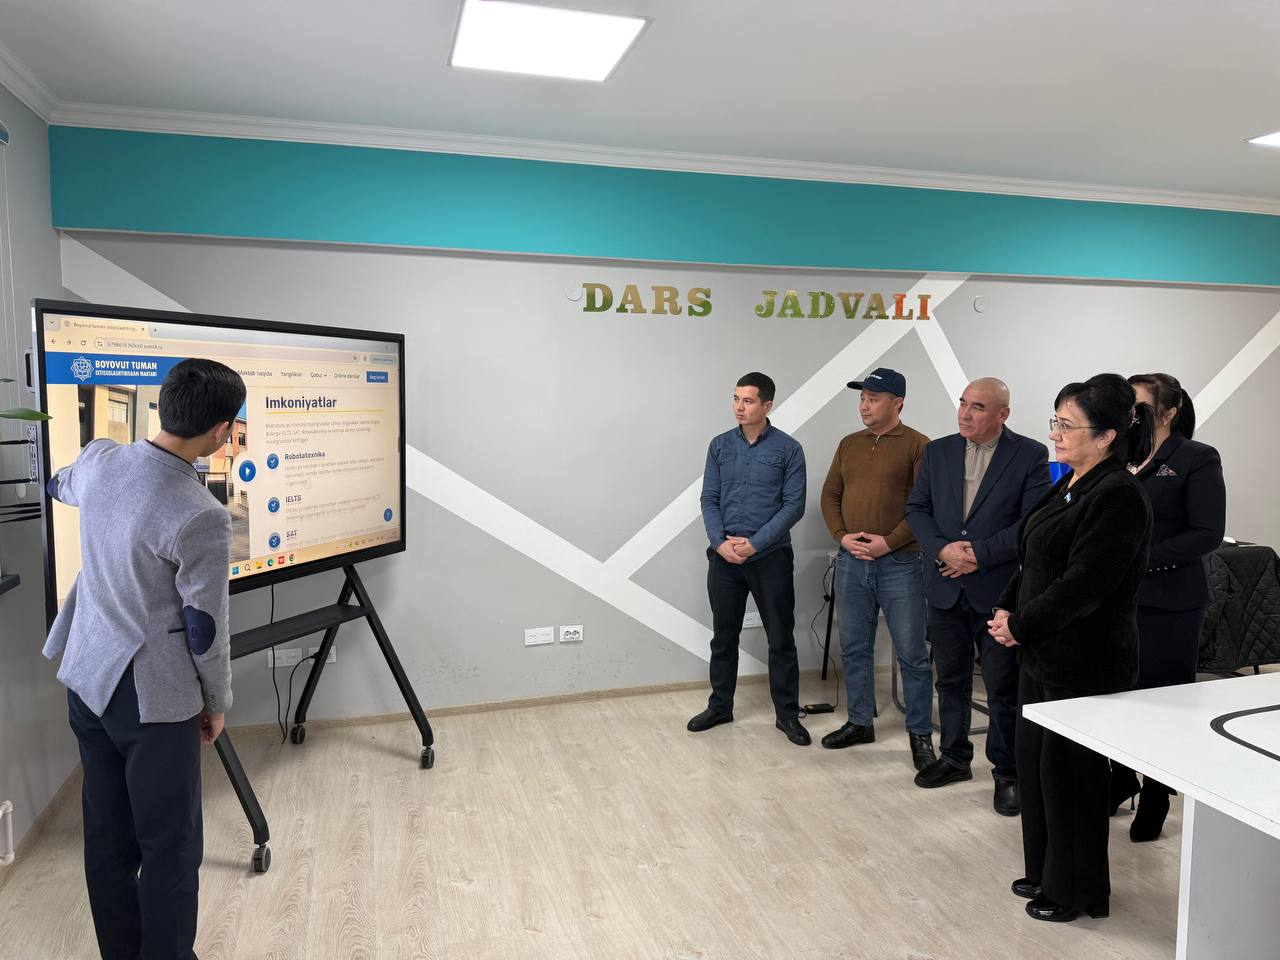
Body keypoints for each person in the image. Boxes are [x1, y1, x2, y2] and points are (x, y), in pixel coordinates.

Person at [43, 358, 245, 959]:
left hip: (87, 681)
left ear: (164, 404)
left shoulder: (100, 460)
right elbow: (205, 629)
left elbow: (58, 484)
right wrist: (216, 702)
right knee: (170, 849)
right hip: (152, 700)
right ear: (220, 431)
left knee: (108, 838)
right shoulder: (201, 514)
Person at [989, 373, 1153, 924]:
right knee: (1038, 774)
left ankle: (1076, 892)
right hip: (1042, 653)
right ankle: (1045, 872)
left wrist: (1022, 625)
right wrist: (1008, 610)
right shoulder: (1070, 482)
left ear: (1106, 436)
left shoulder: (1119, 495)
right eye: (1054, 421)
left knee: (1071, 782)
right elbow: (1032, 556)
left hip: (1083, 661)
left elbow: (1084, 585)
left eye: (1067, 425)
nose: (1054, 433)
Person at [905, 378, 1050, 814]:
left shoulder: (1029, 454)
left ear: (1003, 414)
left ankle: (1007, 773)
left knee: (1003, 688)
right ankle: (954, 758)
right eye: (963, 404)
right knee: (950, 681)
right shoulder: (938, 451)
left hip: (997, 590)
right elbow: (917, 509)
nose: (965, 414)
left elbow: (1031, 522)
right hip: (945, 584)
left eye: (978, 407)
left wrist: (976, 556)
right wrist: (943, 550)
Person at [1107, 373, 1225, 841]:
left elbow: (1207, 534)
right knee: (1115, 696)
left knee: (1162, 706)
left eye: (1140, 405)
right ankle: (1121, 779)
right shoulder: (1119, 453)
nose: (1132, 413)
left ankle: (1156, 794)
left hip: (1170, 602)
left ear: (1170, 412)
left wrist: (1140, 559)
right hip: (1116, 600)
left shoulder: (1196, 457)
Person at [819, 367, 935, 770]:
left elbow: (924, 506)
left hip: (901, 562)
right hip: (852, 561)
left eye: (873, 399)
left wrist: (889, 542)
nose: (864, 406)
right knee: (853, 647)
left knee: (912, 654)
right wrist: (842, 537)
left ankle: (920, 733)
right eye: (862, 398)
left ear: (897, 403)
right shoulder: (849, 444)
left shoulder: (919, 445)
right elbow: (830, 495)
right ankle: (859, 722)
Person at [690, 372, 809, 745]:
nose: (739, 407)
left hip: (770, 557)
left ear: (767, 405)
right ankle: (720, 706)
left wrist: (755, 544)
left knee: (780, 639)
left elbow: (794, 506)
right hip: (724, 557)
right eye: (736, 399)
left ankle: (787, 715)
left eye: (748, 400)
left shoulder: (789, 449)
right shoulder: (719, 446)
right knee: (724, 636)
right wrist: (719, 543)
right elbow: (709, 498)